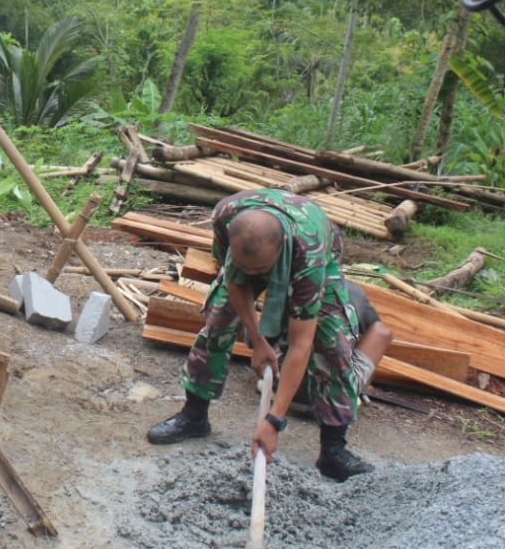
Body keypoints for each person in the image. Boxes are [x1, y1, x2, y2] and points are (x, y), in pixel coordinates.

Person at [146, 188, 393, 481]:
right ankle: (194, 415)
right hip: (257, 250)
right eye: (245, 268)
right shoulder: (225, 216)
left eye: (260, 270)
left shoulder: (308, 254)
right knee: (217, 324)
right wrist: (258, 340)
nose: (254, 275)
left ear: (279, 253)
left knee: (332, 346)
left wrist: (273, 420)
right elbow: (237, 284)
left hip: (315, 256)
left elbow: (302, 343)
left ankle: (333, 451)